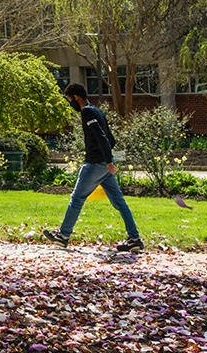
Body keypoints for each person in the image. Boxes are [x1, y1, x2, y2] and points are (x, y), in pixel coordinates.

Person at [43, 83, 143, 252]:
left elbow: (102, 137)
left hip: (95, 164)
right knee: (119, 202)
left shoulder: (87, 112)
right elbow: (111, 139)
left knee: (77, 198)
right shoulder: (96, 110)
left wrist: (107, 161)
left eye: (69, 100)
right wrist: (109, 160)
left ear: (76, 97)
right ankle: (134, 239)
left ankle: (63, 236)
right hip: (104, 165)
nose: (70, 103)